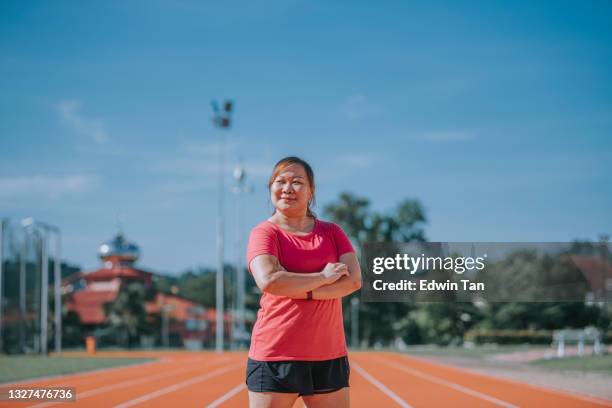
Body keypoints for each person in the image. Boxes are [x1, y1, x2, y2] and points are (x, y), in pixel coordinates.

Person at [246, 156, 362, 408]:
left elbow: (353, 281)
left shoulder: (332, 232)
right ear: (271, 187)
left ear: (311, 191)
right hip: (276, 353)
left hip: (328, 353)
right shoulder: (264, 233)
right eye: (280, 181)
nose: (287, 188)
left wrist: (305, 292)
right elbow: (270, 281)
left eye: (297, 182)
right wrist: (323, 278)